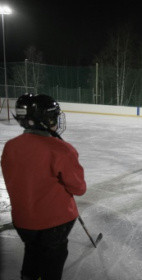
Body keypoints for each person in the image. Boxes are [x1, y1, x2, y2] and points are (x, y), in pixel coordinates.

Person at [1, 93, 86, 280]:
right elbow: (78, 188)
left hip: (23, 221)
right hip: (55, 224)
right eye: (53, 116)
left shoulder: (10, 146)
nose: (56, 120)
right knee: (52, 260)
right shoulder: (61, 149)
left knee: (32, 251)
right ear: (43, 119)